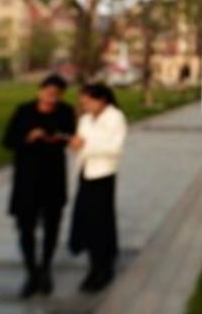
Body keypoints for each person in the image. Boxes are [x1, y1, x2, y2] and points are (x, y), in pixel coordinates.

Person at [2, 74, 76, 298]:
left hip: (53, 177)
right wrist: (29, 137)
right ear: (39, 91)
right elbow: (8, 141)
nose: (51, 97)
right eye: (48, 92)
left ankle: (45, 269)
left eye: (56, 94)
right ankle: (31, 272)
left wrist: (57, 138)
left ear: (61, 95)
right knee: (26, 227)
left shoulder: (65, 111)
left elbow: (70, 136)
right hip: (27, 178)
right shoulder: (24, 110)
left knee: (52, 225)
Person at [68, 83, 128, 292]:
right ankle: (94, 265)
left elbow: (114, 149)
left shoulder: (115, 117)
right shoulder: (85, 119)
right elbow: (80, 144)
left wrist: (84, 145)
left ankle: (103, 268)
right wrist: (76, 145)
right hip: (85, 173)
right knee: (86, 221)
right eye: (82, 101)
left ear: (101, 100)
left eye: (87, 101)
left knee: (101, 222)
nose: (84, 104)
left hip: (103, 175)